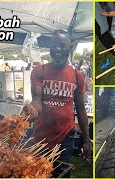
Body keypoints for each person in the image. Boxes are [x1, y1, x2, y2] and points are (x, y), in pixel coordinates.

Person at [21, 29, 91, 166]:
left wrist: (87, 139)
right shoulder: (39, 71)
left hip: (65, 137)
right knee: (38, 172)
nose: (57, 49)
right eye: (54, 44)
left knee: (61, 172)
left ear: (70, 48)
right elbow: (37, 102)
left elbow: (81, 110)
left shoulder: (77, 76)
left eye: (62, 45)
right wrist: (30, 111)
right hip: (41, 136)